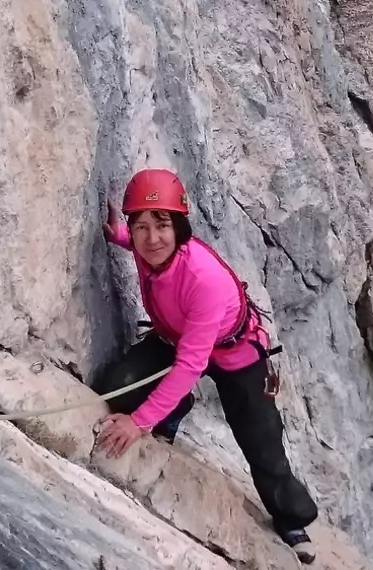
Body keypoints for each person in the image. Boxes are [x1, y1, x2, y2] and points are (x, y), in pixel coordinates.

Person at [92, 168, 319, 564]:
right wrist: (119, 237)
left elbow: (189, 366)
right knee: (119, 386)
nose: (150, 238)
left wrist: (140, 422)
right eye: (140, 227)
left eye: (161, 225)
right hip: (177, 338)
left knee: (261, 439)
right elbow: (143, 246)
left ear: (179, 226)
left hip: (235, 351)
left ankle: (291, 519)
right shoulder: (152, 252)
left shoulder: (202, 278)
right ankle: (175, 409)